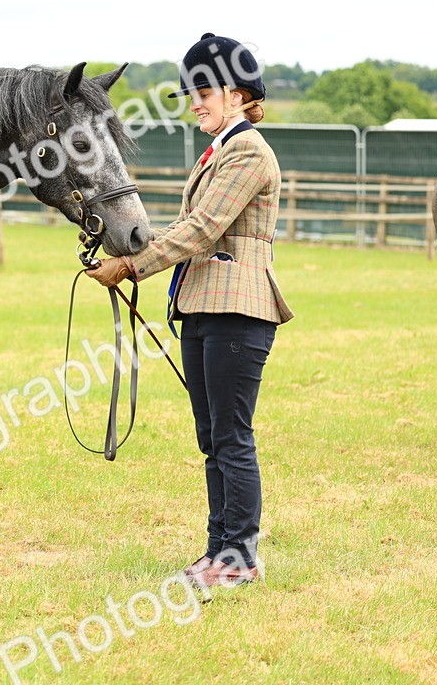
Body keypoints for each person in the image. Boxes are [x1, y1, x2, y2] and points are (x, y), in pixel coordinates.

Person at [85, 33, 294, 589]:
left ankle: (242, 557)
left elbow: (203, 230)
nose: (195, 101)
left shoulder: (248, 151)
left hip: (238, 308)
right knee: (212, 438)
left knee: (231, 435)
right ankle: (217, 549)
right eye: (192, 92)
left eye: (204, 90)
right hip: (201, 306)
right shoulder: (219, 150)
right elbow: (190, 230)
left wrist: (132, 267)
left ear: (238, 93)